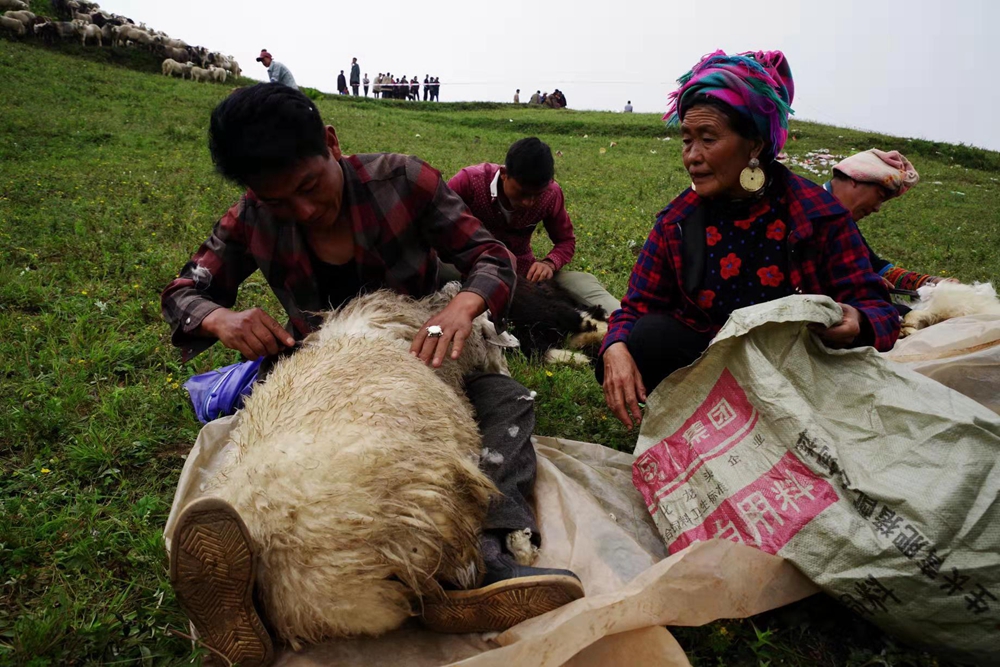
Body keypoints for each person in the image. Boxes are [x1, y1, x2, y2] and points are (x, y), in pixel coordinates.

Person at [161, 83, 583, 664]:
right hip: (321, 364)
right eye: (279, 201)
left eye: (310, 186)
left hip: (424, 352)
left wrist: (462, 305)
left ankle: (486, 556)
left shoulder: (405, 182)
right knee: (270, 436)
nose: (303, 210)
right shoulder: (249, 221)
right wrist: (220, 318)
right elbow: (186, 290)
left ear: (331, 144)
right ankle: (242, 583)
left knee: (507, 401)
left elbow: (489, 256)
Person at [598, 50, 899, 429]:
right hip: (715, 372)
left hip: (799, 377)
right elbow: (637, 307)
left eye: (708, 139)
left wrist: (857, 320)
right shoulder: (677, 222)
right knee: (646, 339)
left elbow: (882, 312)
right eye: (687, 140)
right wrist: (616, 346)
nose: (692, 156)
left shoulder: (818, 216)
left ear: (754, 145)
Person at [447, 137, 620, 315]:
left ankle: (624, 320)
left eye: (537, 195)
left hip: (523, 274)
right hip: (469, 266)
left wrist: (549, 264)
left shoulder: (552, 194)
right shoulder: (469, 182)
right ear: (504, 173)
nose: (528, 202)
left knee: (582, 284)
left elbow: (566, 241)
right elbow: (433, 224)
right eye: (522, 193)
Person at [825, 149, 951, 291]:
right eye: (879, 196)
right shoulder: (806, 209)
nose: (877, 208)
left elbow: (877, 267)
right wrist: (856, 278)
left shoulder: (844, 223)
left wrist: (930, 282)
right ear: (854, 179)